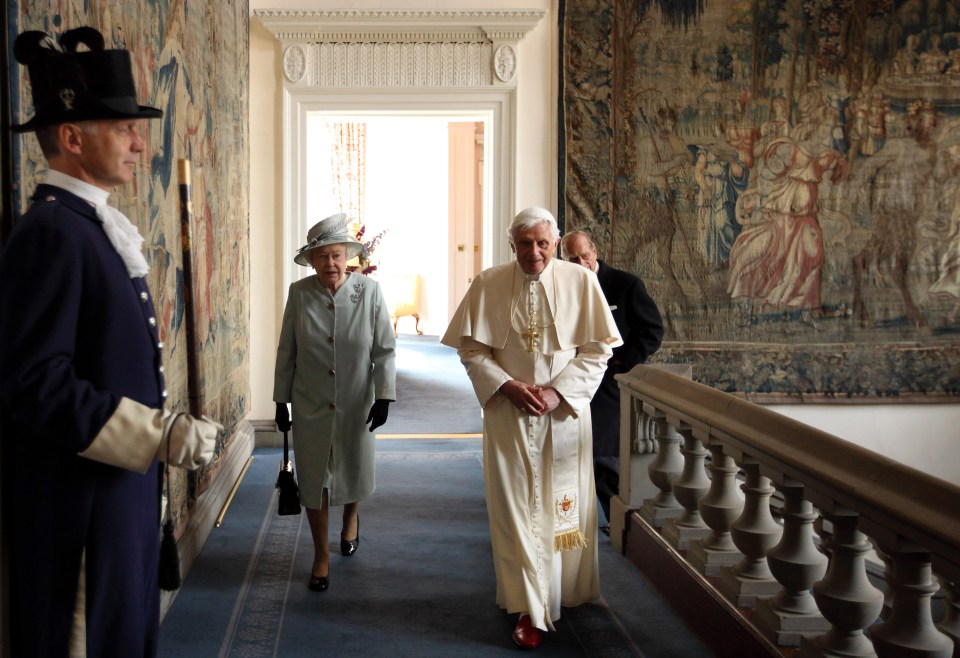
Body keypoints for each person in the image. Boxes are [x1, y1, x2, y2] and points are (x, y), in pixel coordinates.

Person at [0, 27, 221, 657]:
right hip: (78, 516)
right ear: (71, 137)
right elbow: (34, 380)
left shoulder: (89, 229)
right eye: (122, 127)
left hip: (118, 500)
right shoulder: (51, 234)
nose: (140, 142)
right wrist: (159, 434)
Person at [441, 207, 621, 649]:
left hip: (564, 415)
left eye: (543, 243)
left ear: (555, 244)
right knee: (516, 508)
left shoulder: (581, 282)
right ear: (512, 246)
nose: (534, 253)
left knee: (563, 507)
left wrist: (559, 393)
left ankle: (561, 592)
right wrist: (506, 385)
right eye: (525, 244)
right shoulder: (488, 284)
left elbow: (598, 350)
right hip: (509, 414)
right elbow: (472, 350)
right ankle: (529, 607)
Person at [273, 213, 397, 593]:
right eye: (323, 256)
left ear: (349, 257)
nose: (331, 263)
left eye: (337, 255)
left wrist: (384, 395)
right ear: (312, 261)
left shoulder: (369, 292)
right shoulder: (300, 293)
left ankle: (352, 519)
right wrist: (281, 400)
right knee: (314, 479)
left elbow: (384, 349)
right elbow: (286, 352)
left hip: (357, 399)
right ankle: (321, 555)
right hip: (310, 400)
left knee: (353, 466)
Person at [559, 231, 663, 531]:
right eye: (573, 259)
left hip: (608, 387)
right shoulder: (562, 286)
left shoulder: (625, 285)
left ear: (595, 251)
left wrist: (622, 363)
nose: (581, 263)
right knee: (568, 455)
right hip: (570, 383)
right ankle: (571, 523)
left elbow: (652, 330)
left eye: (585, 255)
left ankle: (617, 526)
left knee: (603, 457)